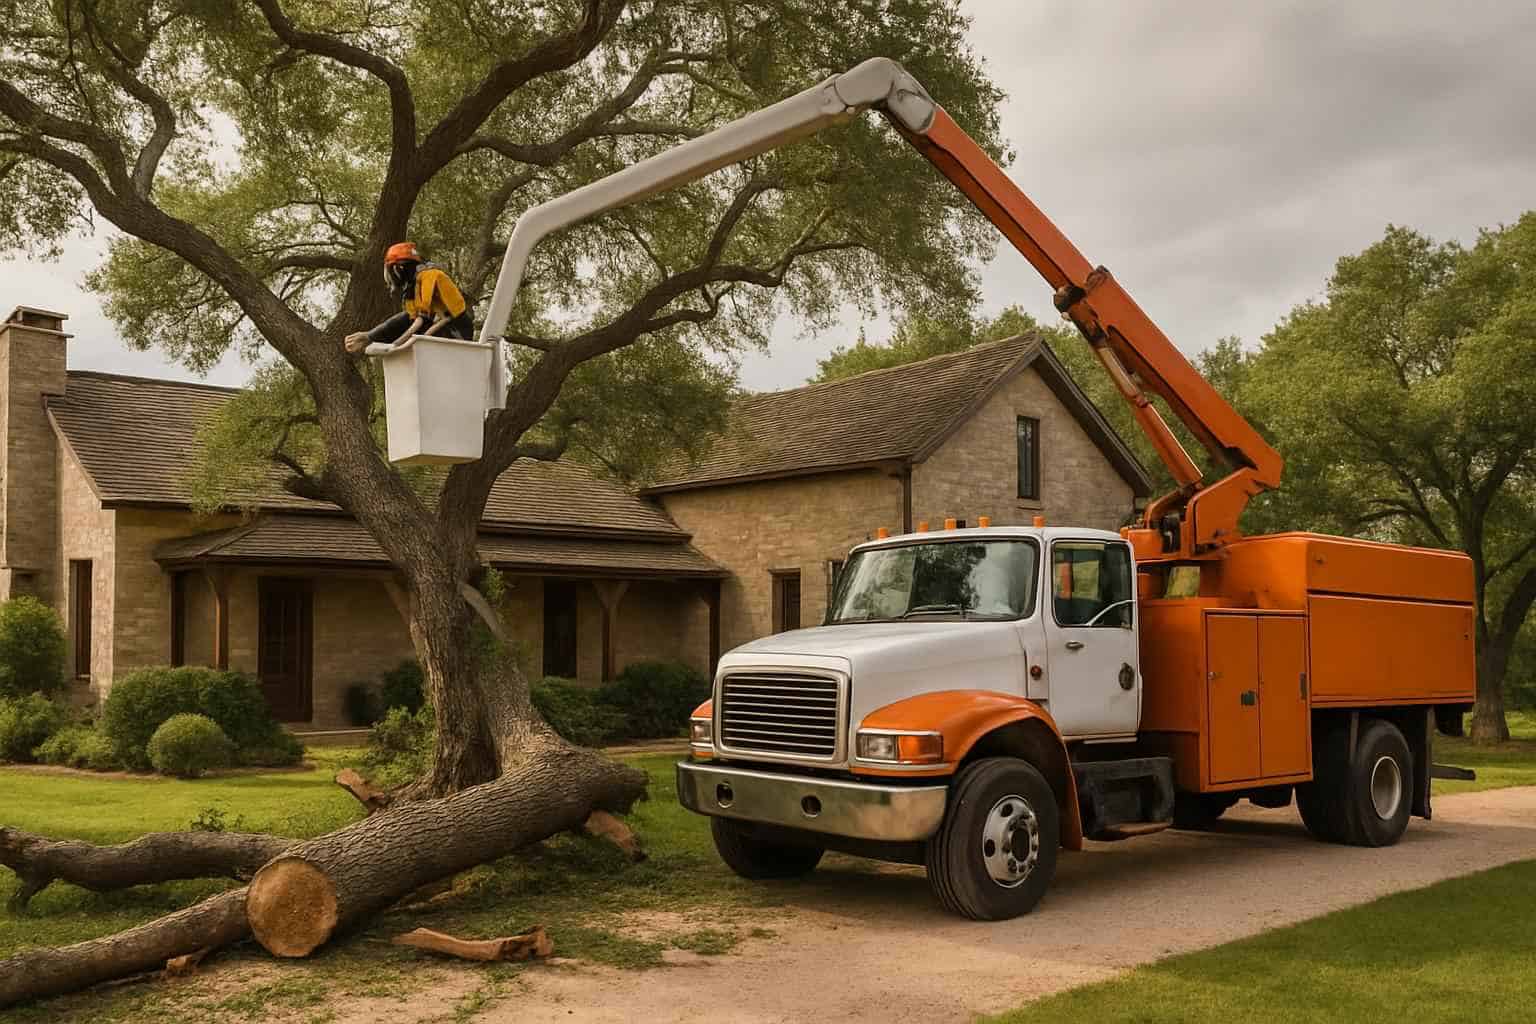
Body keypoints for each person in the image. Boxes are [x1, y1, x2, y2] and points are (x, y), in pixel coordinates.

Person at [343, 242, 474, 353]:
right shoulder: (415, 285)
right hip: (445, 331)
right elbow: (410, 319)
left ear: (399, 268)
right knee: (404, 318)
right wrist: (370, 336)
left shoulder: (429, 276)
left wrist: (395, 347)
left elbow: (420, 322)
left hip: (456, 334)